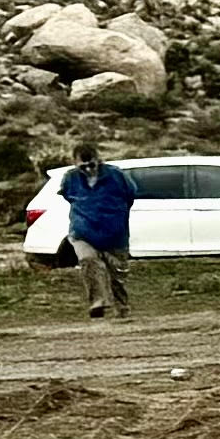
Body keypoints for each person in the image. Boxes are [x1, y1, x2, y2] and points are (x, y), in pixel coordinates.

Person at [54, 135, 137, 318]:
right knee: (88, 261)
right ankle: (97, 303)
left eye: (92, 165)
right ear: (75, 164)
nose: (88, 169)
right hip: (83, 232)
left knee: (118, 275)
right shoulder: (70, 179)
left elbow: (131, 194)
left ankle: (122, 309)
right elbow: (68, 196)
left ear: (98, 160)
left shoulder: (117, 176)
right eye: (83, 167)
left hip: (115, 233)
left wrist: (115, 214)